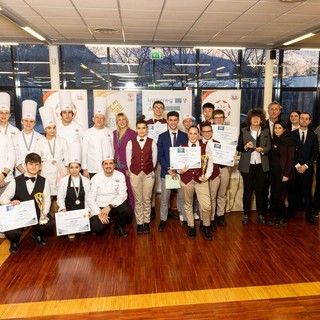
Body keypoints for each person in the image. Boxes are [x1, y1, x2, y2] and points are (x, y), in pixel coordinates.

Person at [0, 153, 54, 253]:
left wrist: (44, 214)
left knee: (49, 224)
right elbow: (2, 198)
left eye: (37, 164)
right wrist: (10, 202)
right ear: (25, 165)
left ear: (40, 166)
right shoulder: (15, 181)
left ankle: (36, 233)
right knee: (11, 232)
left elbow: (47, 200)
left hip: (36, 212)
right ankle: (14, 241)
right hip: (19, 214)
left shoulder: (44, 181)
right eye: (31, 164)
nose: (34, 167)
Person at [237, 108, 271, 225]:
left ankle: (260, 213)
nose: (256, 119)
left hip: (262, 165)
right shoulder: (244, 130)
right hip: (247, 165)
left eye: (258, 117)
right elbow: (239, 147)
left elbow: (269, 147)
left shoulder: (266, 131)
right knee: (248, 190)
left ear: (261, 120)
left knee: (260, 190)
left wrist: (263, 150)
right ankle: (246, 213)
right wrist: (246, 146)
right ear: (250, 119)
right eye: (253, 117)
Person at [179, 126, 213, 240]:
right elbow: (177, 165)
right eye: (191, 133)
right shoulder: (181, 147)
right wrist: (180, 171)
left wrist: (207, 176)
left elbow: (210, 164)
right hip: (186, 179)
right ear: (187, 134)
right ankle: (191, 227)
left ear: (199, 134)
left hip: (201, 180)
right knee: (187, 204)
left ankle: (206, 226)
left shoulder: (205, 146)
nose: (193, 136)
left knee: (206, 206)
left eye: (195, 134)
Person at [87, 157, 133, 238]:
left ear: (114, 165)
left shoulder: (120, 175)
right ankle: (105, 221)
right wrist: (99, 213)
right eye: (106, 163)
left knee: (127, 211)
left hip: (113, 205)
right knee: (98, 229)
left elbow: (123, 195)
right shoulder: (95, 178)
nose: (108, 166)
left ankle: (118, 225)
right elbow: (90, 199)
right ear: (102, 166)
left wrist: (109, 206)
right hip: (100, 207)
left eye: (111, 163)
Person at [157, 111, 188, 232]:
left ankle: (184, 217)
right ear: (167, 121)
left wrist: (179, 170)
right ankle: (163, 219)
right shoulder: (162, 136)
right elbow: (160, 155)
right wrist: (169, 169)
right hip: (167, 172)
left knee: (182, 197)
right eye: (171, 120)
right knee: (165, 198)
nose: (173, 122)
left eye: (175, 120)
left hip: (181, 173)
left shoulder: (184, 136)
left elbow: (186, 154)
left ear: (178, 121)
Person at [126, 117, 157, 234]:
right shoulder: (131, 143)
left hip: (148, 174)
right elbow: (129, 160)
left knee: (147, 200)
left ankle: (147, 222)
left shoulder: (152, 142)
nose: (141, 130)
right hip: (135, 174)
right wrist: (133, 171)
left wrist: (148, 170)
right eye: (139, 128)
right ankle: (140, 223)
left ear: (147, 129)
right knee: (138, 200)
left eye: (143, 128)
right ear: (136, 129)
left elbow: (154, 160)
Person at [35, 106, 68, 214]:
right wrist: (38, 174)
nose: (52, 130)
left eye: (54, 127)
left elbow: (67, 158)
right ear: (45, 129)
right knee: (47, 196)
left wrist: (67, 173)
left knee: (58, 197)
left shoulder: (62, 140)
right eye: (49, 128)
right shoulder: (40, 141)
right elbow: (37, 159)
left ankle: (57, 220)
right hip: (46, 172)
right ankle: (46, 218)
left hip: (60, 171)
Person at [289, 112, 318, 225]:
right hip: (294, 168)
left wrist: (305, 166)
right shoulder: (292, 134)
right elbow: (290, 153)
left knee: (307, 193)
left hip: (307, 169)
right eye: (302, 118)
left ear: (309, 121)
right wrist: (297, 165)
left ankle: (309, 215)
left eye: (307, 119)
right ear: (299, 120)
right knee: (292, 191)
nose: (304, 120)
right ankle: (291, 213)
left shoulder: (313, 136)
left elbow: (315, 153)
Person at [57, 143, 91, 239]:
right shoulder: (63, 181)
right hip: (69, 211)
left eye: (76, 167)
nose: (74, 170)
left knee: (83, 234)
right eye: (71, 167)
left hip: (82, 211)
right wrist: (63, 209)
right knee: (71, 237)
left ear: (80, 168)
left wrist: (87, 212)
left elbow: (88, 198)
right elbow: (60, 198)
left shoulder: (86, 181)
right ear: (68, 168)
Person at [267, 120, 295, 227]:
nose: (277, 130)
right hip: (273, 172)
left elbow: (290, 159)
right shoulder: (274, 140)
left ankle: (283, 218)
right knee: (274, 196)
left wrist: (286, 174)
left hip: (283, 173)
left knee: (280, 196)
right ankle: (277, 217)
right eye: (275, 128)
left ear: (284, 129)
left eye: (279, 128)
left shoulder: (289, 141)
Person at [206, 110, 231, 228]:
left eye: (221, 117)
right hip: (213, 168)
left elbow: (233, 147)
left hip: (224, 167)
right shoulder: (208, 132)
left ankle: (220, 215)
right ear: (212, 120)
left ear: (224, 119)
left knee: (222, 193)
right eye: (216, 118)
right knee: (212, 194)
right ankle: (211, 218)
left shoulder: (229, 132)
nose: (219, 120)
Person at [82, 96, 114, 179]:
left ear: (105, 119)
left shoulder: (109, 132)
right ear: (93, 119)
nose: (99, 120)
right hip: (92, 168)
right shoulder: (87, 133)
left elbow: (112, 150)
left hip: (107, 168)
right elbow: (84, 152)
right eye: (97, 117)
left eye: (102, 118)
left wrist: (112, 165)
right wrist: (85, 169)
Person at [146, 100, 167, 220]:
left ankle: (167, 209)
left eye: (160, 107)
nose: (158, 109)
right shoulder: (147, 123)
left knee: (166, 184)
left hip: (164, 156)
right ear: (153, 109)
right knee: (152, 184)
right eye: (156, 107)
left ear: (163, 110)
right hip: (151, 156)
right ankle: (152, 207)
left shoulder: (168, 122)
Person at [113, 112, 137, 210]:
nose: (122, 122)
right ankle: (119, 210)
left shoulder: (132, 133)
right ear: (117, 122)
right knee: (118, 190)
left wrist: (129, 168)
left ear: (126, 120)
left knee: (129, 189)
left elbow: (134, 152)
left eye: (123, 119)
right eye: (119, 120)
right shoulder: (114, 133)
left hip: (126, 166)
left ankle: (130, 210)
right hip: (116, 166)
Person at [14, 99, 42, 176]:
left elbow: (42, 158)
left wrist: (35, 172)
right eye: (26, 121)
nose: (28, 123)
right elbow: (15, 159)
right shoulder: (15, 138)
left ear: (35, 123)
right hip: (20, 173)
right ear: (22, 122)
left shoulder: (41, 138)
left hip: (37, 174)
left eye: (31, 121)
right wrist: (25, 173)